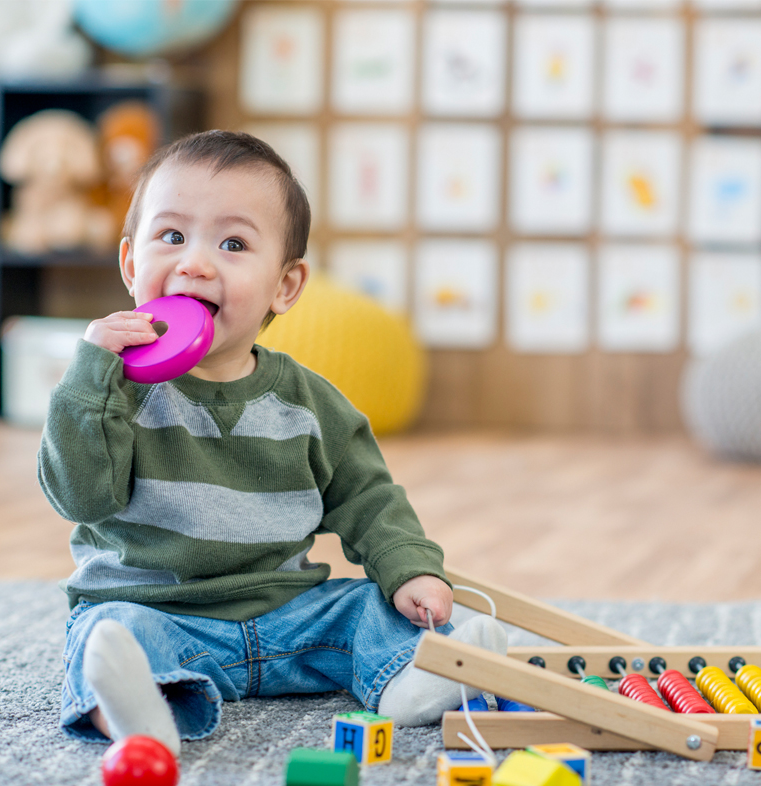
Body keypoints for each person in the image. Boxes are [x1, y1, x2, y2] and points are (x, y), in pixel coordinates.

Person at [38, 130, 507, 756]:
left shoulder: (310, 403)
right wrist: (88, 377)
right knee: (111, 632)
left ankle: (417, 675)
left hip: (290, 617)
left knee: (368, 610)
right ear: (130, 264)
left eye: (232, 243)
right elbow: (81, 497)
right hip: (160, 610)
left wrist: (410, 569)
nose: (194, 263)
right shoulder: (110, 391)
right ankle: (138, 713)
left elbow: (368, 497)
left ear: (284, 286)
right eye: (171, 236)